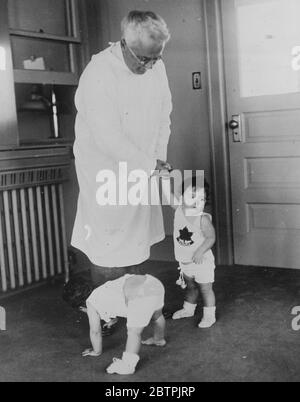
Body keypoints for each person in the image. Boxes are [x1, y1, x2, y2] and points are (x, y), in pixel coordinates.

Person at [71, 10, 172, 286]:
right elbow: (107, 138)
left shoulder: (155, 66)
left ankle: (134, 302)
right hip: (106, 169)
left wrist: (157, 160)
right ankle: (107, 309)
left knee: (137, 237)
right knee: (109, 241)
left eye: (157, 57)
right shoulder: (99, 72)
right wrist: (149, 164)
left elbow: (164, 116)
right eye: (144, 59)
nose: (151, 65)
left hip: (143, 166)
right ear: (125, 44)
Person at [161, 173, 217, 328]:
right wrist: (165, 179)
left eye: (201, 199)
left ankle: (209, 315)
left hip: (202, 262)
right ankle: (188, 309)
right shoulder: (179, 209)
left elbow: (211, 238)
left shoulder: (202, 219)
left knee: (205, 289)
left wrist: (200, 251)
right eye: (192, 196)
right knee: (191, 287)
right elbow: (167, 196)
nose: (196, 202)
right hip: (185, 262)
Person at [82, 274, 166, 375]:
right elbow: (114, 303)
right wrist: (111, 320)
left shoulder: (90, 303)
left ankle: (128, 366)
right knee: (157, 315)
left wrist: (96, 351)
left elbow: (95, 331)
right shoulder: (102, 289)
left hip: (140, 294)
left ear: (81, 307)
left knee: (133, 332)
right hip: (153, 282)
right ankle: (159, 339)